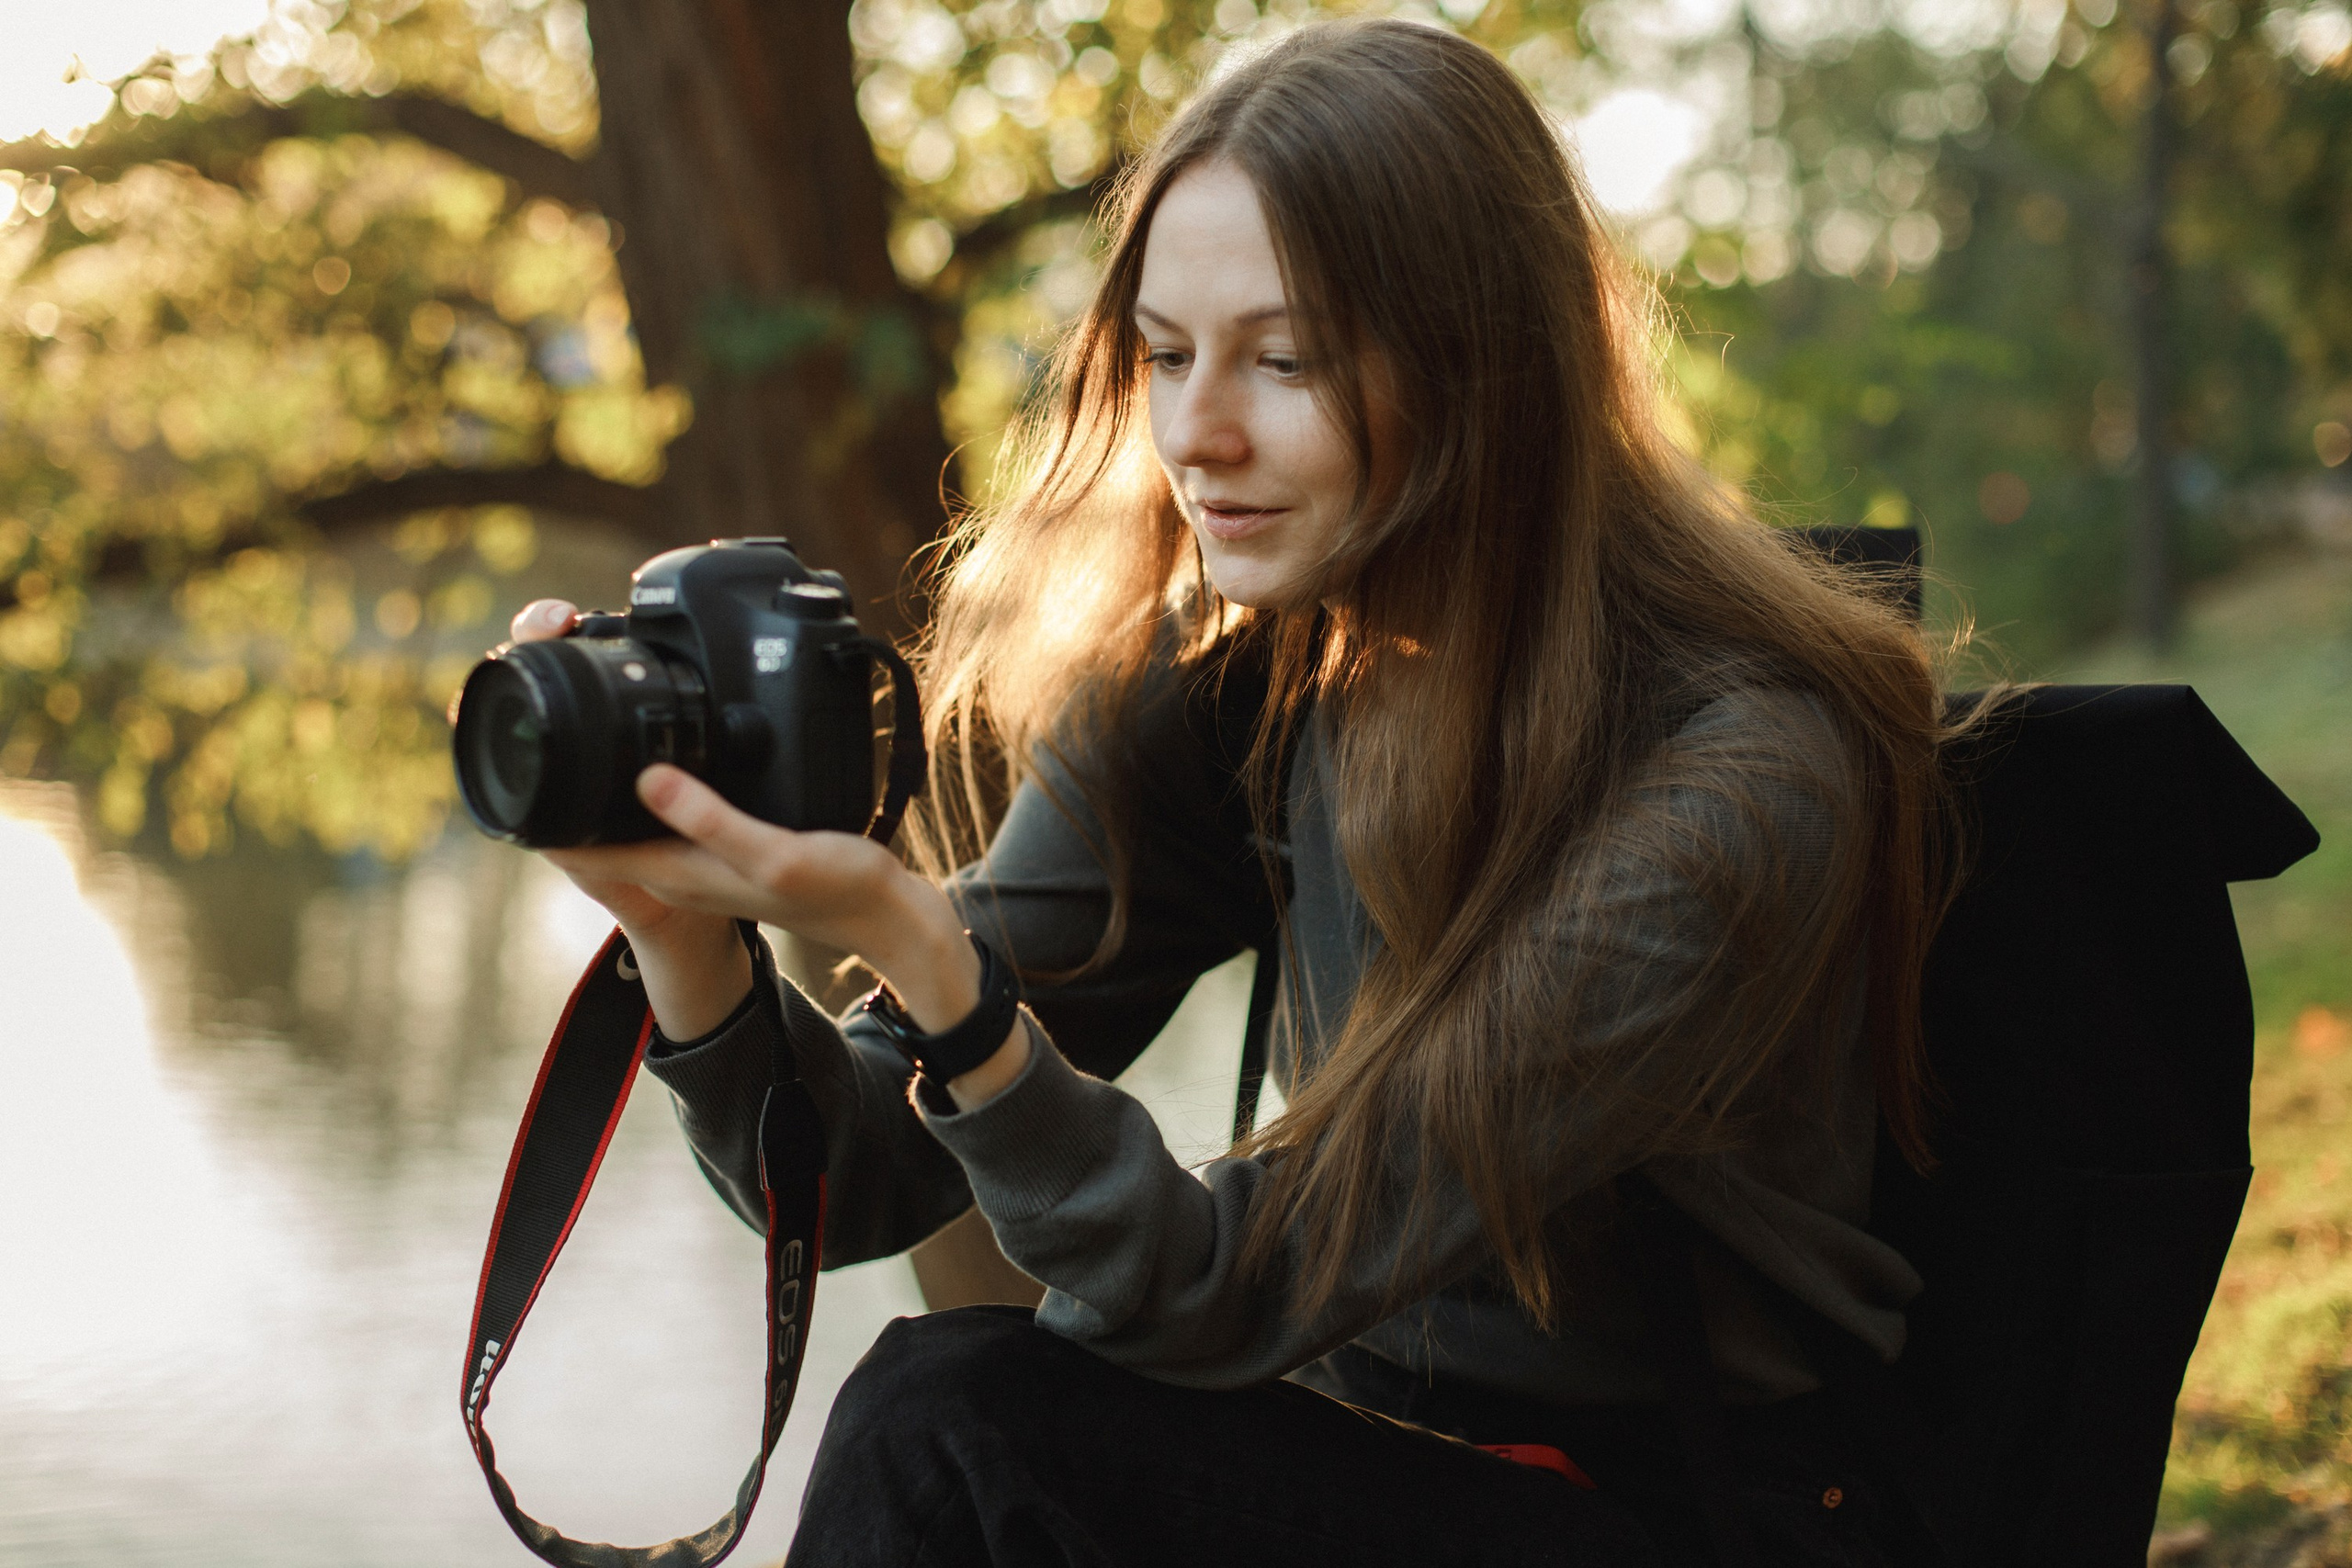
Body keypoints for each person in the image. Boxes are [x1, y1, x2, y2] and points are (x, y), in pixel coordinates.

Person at [507, 17, 1954, 1565]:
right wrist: (681, 938)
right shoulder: (1253, 680)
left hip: (1687, 1511)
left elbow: (1236, 1282)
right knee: (980, 1407)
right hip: (1357, 1449)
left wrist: (935, 962)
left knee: (957, 1420)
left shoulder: (1740, 774)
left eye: (1285, 360)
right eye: (1165, 354)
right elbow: (853, 1184)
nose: (1196, 435)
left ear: (1485, 370)